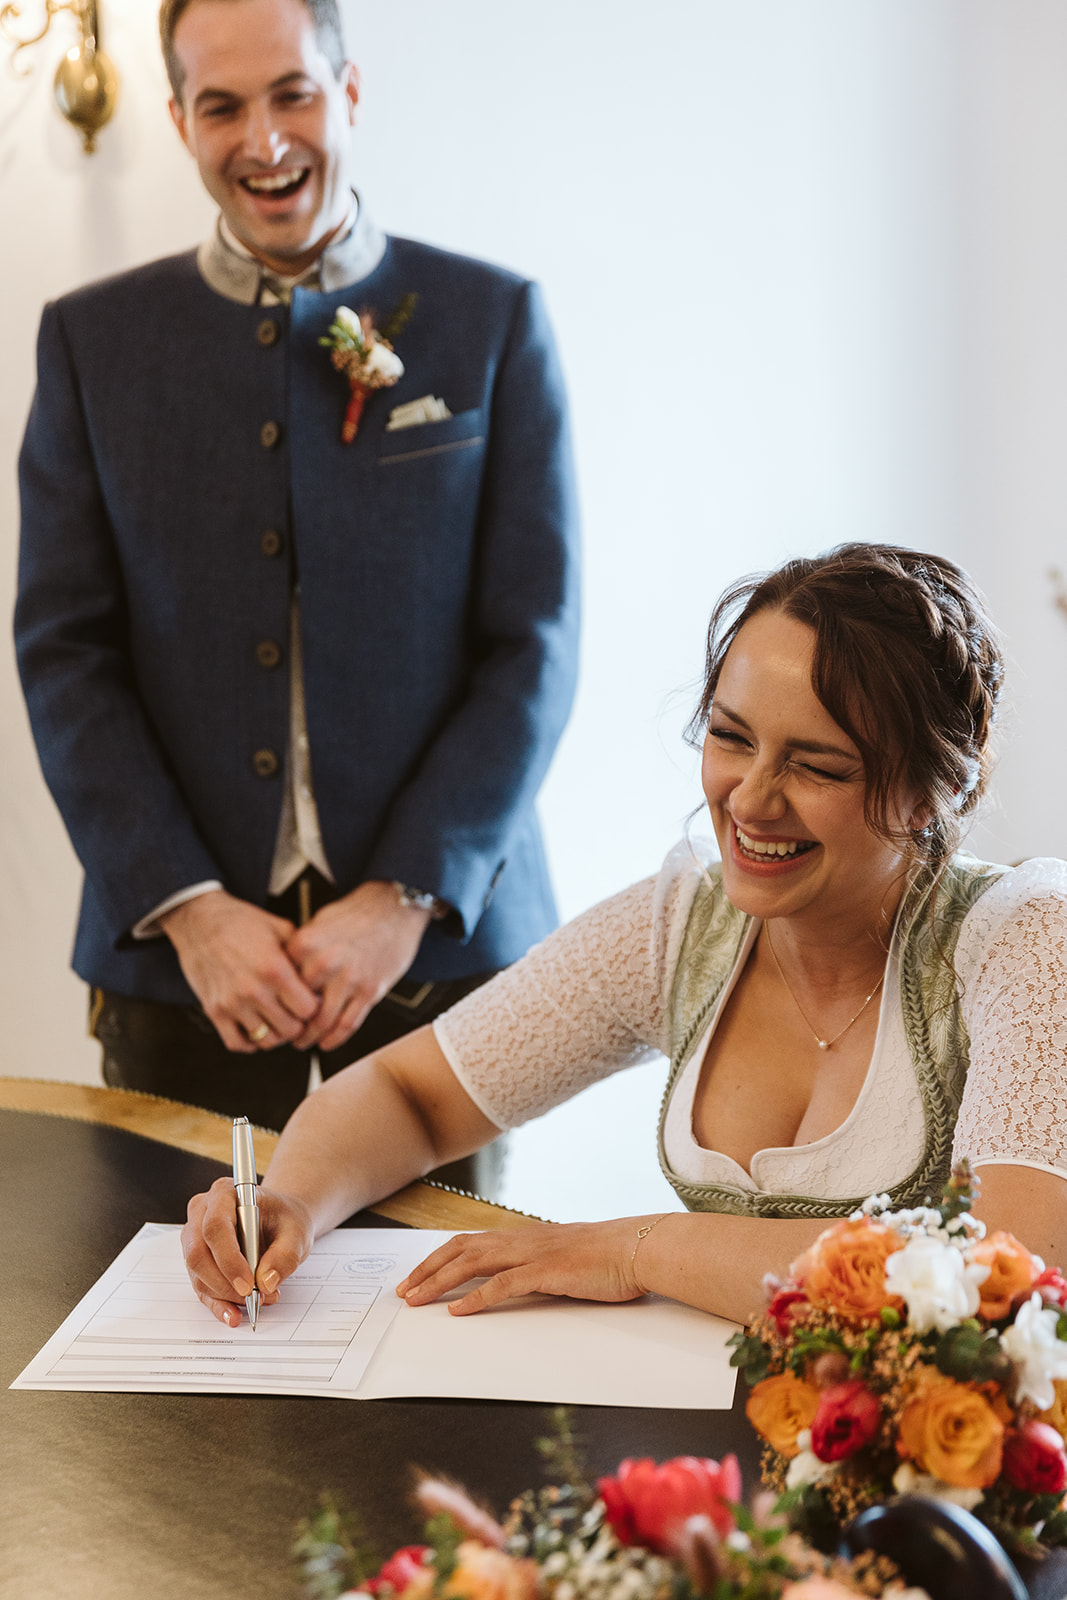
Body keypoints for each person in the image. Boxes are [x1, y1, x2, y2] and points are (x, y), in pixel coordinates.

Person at [181, 543, 1067, 1328]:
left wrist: (637, 1250)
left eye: (816, 766)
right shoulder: (680, 923)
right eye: (730, 738)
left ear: (932, 791)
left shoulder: (1026, 941)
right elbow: (412, 1094)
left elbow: (1004, 1276)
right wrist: (291, 1199)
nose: (751, 798)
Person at [14, 0, 579, 1155]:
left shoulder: (491, 321)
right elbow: (66, 653)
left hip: (443, 957)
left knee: (449, 1268)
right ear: (180, 120)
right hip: (182, 974)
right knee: (185, 1270)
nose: (263, 140)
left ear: (349, 93)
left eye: (293, 94)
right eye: (222, 106)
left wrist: (403, 895)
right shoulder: (89, 342)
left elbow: (535, 640)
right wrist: (187, 907)